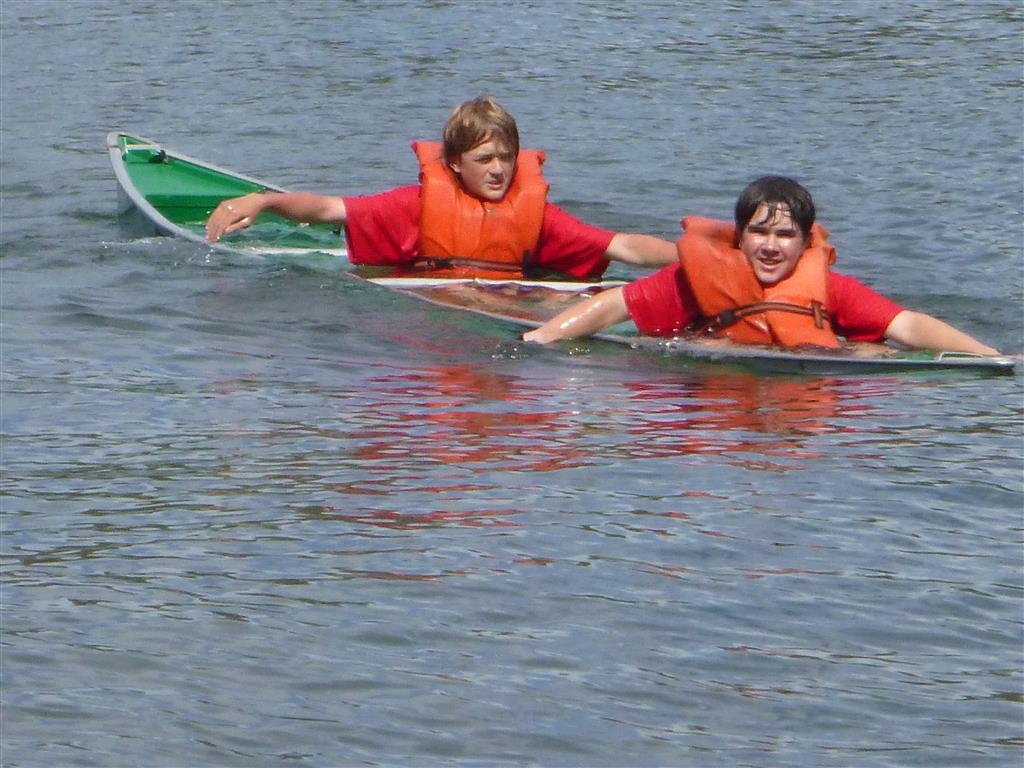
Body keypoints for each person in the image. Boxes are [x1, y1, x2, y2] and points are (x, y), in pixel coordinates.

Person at [205, 96, 677, 279]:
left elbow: (623, 246)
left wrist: (690, 255)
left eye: (506, 158)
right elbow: (329, 209)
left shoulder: (536, 217)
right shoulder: (415, 206)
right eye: (484, 160)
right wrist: (264, 200)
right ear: (454, 163)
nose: (499, 170)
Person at [523, 176, 999, 355]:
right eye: (759, 232)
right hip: (717, 383)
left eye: (785, 236)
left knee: (873, 353)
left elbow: (908, 326)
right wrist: (542, 339)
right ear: (739, 236)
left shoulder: (829, 288)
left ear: (805, 242)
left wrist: (990, 357)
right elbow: (615, 305)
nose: (770, 247)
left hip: (804, 392)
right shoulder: (696, 282)